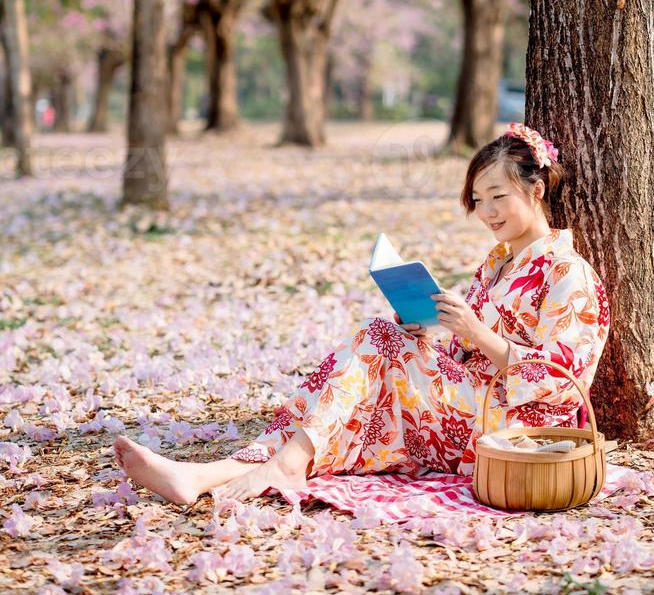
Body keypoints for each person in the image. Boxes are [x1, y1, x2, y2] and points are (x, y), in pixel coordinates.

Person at [113, 123, 610, 506]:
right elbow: (465, 354)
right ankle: (201, 476)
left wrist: (475, 331)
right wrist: (428, 333)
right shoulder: (496, 267)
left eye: (498, 197)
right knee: (358, 390)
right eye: (478, 201)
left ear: (537, 189)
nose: (487, 213)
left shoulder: (570, 274)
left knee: (375, 346)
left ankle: (279, 464)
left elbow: (563, 384)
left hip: (512, 430)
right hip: (467, 404)